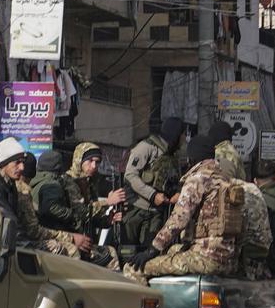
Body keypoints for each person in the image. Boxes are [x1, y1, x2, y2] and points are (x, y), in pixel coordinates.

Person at [127, 134, 244, 281]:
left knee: (133, 268)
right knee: (171, 250)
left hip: (204, 257)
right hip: (228, 259)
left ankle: (153, 303)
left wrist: (152, 249)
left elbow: (179, 219)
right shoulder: (225, 181)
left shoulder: (198, 179)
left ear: (193, 157)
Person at [0, 138, 88, 259]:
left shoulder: (9, 185)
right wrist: (71, 237)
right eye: (17, 162)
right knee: (69, 250)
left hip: (11, 242)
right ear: (4, 163)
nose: (21, 167)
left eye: (23, 163)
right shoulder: (2, 187)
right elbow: (30, 229)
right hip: (10, 245)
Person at [123, 117, 185, 248]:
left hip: (157, 214)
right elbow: (130, 175)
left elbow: (175, 180)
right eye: (182, 135)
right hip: (136, 210)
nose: (184, 139)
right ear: (175, 134)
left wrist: (177, 194)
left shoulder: (173, 157)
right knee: (128, 251)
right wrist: (152, 195)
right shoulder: (146, 147)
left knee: (149, 252)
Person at [29, 149, 94, 255]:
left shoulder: (35, 181)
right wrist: (71, 215)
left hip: (42, 233)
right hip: (50, 233)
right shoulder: (52, 184)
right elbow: (50, 207)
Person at [63, 142, 125, 246]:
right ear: (80, 161)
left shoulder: (89, 183)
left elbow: (92, 218)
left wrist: (108, 220)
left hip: (87, 241)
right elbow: (81, 212)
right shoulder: (69, 182)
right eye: (90, 161)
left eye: (97, 162)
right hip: (71, 241)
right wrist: (108, 202)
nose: (94, 166)